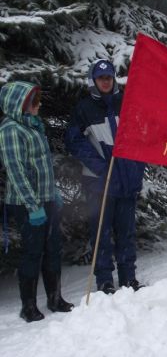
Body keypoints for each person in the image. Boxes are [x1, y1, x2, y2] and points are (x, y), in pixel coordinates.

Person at [65, 59, 146, 295]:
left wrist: (136, 169)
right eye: (101, 78)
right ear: (94, 81)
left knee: (126, 232)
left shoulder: (127, 104)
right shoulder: (84, 108)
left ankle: (128, 277)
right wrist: (99, 165)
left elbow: (141, 136)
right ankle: (104, 280)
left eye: (109, 77)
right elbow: (74, 141)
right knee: (101, 233)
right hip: (100, 182)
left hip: (126, 180)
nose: (106, 82)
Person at [0, 81, 74, 322]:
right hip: (26, 204)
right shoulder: (11, 130)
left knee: (53, 249)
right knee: (33, 252)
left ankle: (55, 298)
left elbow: (43, 167)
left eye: (38, 100)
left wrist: (53, 192)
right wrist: (33, 206)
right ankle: (28, 307)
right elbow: (16, 171)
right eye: (34, 101)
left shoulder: (33, 126)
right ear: (19, 105)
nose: (38, 104)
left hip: (46, 199)